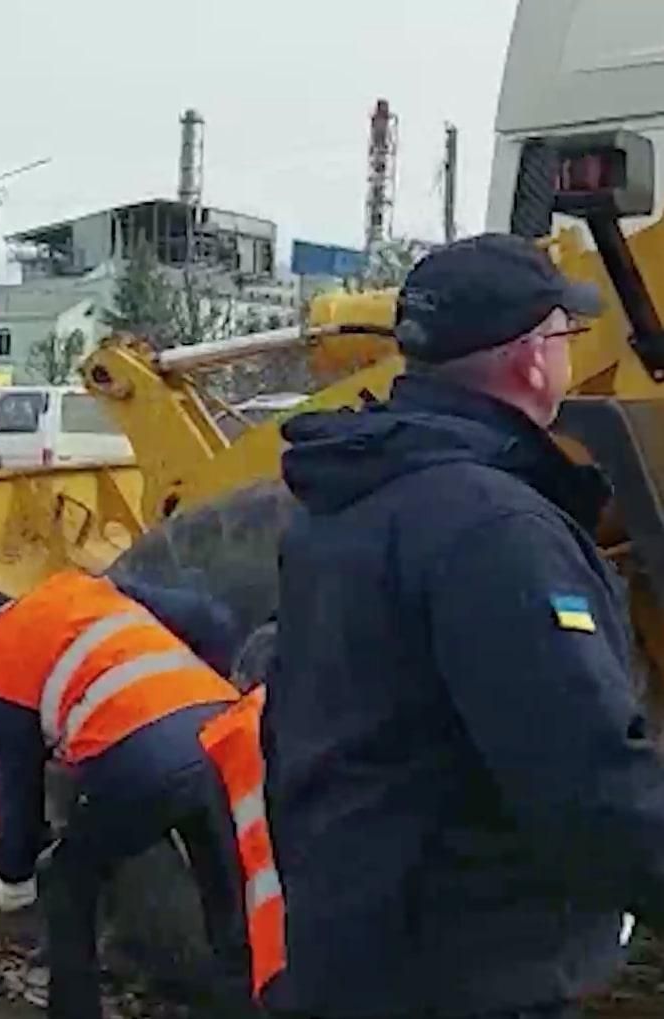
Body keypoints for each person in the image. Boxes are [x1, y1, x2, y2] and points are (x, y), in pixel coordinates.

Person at [266, 233, 664, 1018]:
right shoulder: (492, 529)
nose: (567, 355)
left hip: (358, 937)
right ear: (526, 358)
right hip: (466, 969)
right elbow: (586, 777)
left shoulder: (349, 499)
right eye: (563, 334)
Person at [0, 571, 254, 1019]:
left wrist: (15, 873)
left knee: (66, 876)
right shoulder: (86, 590)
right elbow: (213, 619)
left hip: (139, 752)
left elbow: (18, 780)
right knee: (228, 894)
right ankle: (243, 1007)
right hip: (229, 732)